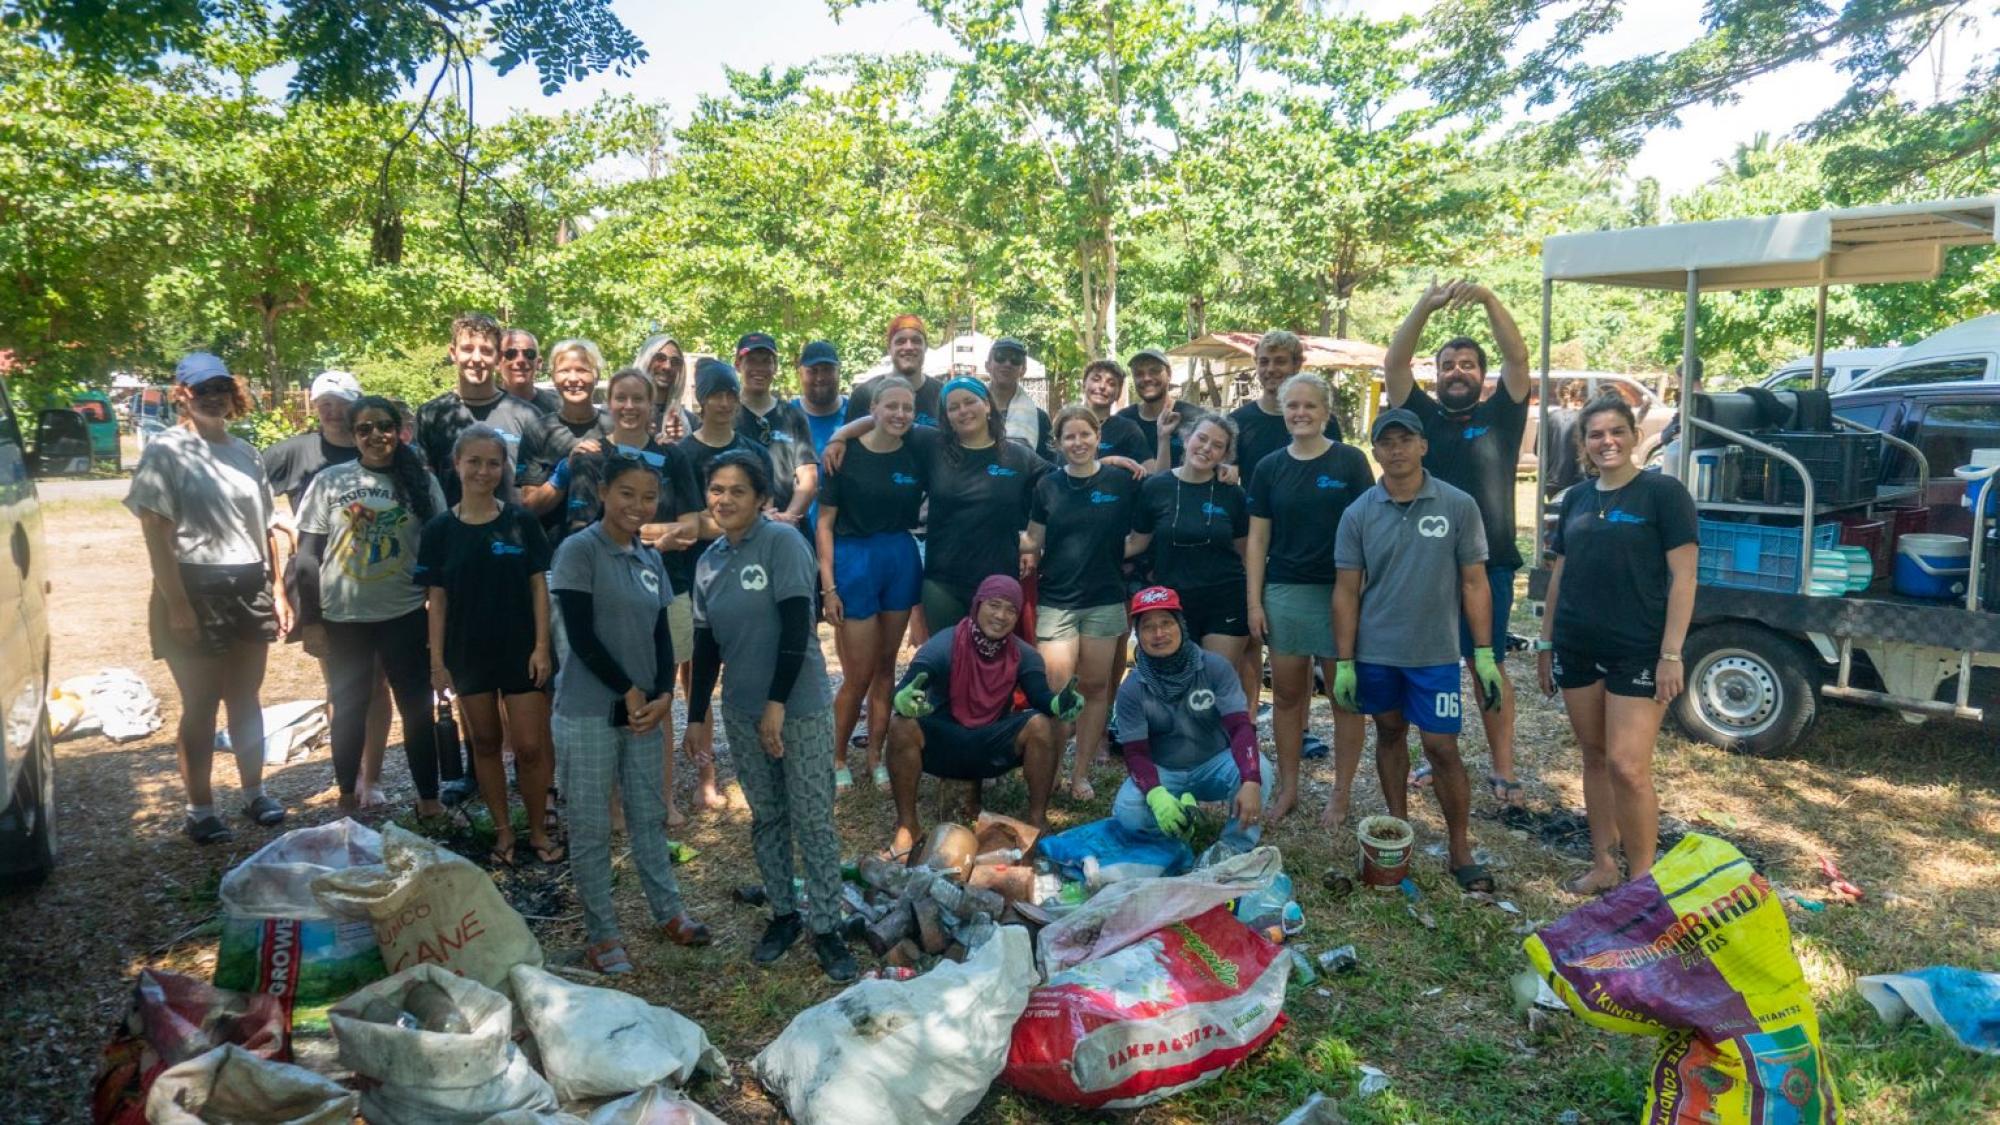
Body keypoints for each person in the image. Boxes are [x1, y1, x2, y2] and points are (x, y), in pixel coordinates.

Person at [687, 451, 855, 982]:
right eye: (717, 489)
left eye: (738, 490)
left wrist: (777, 705)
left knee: (812, 818)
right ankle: (783, 914)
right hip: (740, 708)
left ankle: (826, 926)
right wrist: (695, 715)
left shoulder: (782, 543)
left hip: (798, 706)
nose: (725, 500)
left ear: (762, 499)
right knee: (768, 816)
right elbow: (705, 642)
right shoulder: (709, 560)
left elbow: (793, 627)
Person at [547, 452, 711, 974]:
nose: (637, 506)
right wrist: (628, 689)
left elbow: (662, 634)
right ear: (602, 493)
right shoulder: (578, 551)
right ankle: (602, 932)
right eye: (626, 494)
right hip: (589, 709)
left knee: (647, 815)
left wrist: (663, 693)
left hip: (643, 710)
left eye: (647, 497)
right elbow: (581, 636)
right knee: (592, 824)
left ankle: (668, 910)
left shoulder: (650, 558)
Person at [1332, 408, 1502, 894]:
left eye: (1406, 440)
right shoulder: (1359, 512)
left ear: (1423, 445)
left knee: (1441, 747)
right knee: (1389, 733)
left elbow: (1475, 582)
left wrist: (1484, 654)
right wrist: (1344, 661)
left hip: (1435, 655)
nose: (1396, 450)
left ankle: (1460, 847)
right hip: (1376, 653)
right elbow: (1346, 590)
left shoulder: (1457, 505)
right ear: (1376, 451)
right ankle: (1397, 831)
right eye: (1386, 443)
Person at [126, 353, 291, 843]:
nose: (213, 397)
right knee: (200, 702)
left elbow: (264, 529)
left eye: (221, 387)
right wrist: (176, 603)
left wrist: (278, 589)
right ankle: (200, 808)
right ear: (184, 395)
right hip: (193, 586)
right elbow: (155, 531)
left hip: (248, 583)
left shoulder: (247, 453)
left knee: (246, 697)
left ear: (232, 392)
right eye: (202, 390)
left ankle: (254, 793)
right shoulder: (167, 452)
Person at [1538, 395, 1697, 894]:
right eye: (1595, 434)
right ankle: (1604, 862)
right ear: (1583, 444)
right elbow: (1560, 573)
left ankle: (1642, 878)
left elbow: (1684, 578)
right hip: (1578, 644)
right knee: (1593, 756)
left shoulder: (1662, 494)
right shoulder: (1578, 499)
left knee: (1627, 765)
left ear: (1632, 436)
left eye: (1616, 432)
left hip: (1639, 650)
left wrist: (1671, 652)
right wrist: (1546, 644)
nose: (1606, 442)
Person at [1384, 279, 1532, 808]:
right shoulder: (1421, 418)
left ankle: (1504, 768)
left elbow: (1519, 356)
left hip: (1489, 565)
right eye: (1448, 364)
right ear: (1437, 374)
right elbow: (1394, 365)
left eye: (1468, 364)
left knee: (1485, 663)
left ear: (1483, 375)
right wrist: (1423, 304)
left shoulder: (1503, 414)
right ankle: (1437, 751)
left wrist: (1492, 299)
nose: (1457, 372)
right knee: (1434, 664)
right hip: (1428, 566)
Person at [543, 369, 716, 821]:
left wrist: (636, 535)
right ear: (610, 402)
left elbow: (693, 526)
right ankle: (616, 804)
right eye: (621, 398)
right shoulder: (590, 455)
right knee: (611, 688)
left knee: (661, 689)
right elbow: (582, 526)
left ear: (651, 404)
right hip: (602, 585)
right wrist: (656, 534)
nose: (630, 406)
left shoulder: (672, 457)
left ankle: (663, 798)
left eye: (639, 398)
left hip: (668, 584)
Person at [295, 395, 448, 817]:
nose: (376, 435)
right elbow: (307, 556)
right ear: (354, 434)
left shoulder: (422, 482)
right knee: (349, 710)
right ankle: (347, 795)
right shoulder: (330, 481)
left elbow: (437, 554)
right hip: (345, 617)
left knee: (416, 711)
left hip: (403, 613)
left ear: (399, 429)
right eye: (365, 429)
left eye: (384, 426)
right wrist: (311, 622)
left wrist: (439, 616)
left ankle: (429, 800)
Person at [417, 425, 560, 866]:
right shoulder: (440, 530)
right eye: (474, 462)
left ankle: (538, 829)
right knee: (483, 742)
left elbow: (539, 587)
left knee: (531, 746)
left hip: (521, 648)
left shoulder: (520, 521)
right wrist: (437, 662)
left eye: (493, 463)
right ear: (456, 465)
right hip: (468, 653)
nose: (483, 471)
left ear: (504, 469)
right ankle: (503, 833)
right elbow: (435, 600)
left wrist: (541, 647)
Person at [1246, 373, 1375, 826]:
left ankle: (1340, 793)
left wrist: (1363, 594)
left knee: (1345, 695)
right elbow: (1258, 540)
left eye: (1310, 406)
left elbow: (1369, 530)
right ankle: (1289, 786)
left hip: (1340, 592)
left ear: (1326, 412)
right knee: (1285, 695)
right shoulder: (1269, 468)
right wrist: (1255, 602)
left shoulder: (1350, 462)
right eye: (1292, 406)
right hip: (1284, 591)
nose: (1300, 413)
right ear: (1284, 412)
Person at [264, 370, 393, 807]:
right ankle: (349, 775)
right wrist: (277, 522)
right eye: (322, 401)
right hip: (319, 580)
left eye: (338, 401)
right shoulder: (295, 450)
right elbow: (246, 487)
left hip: (379, 580)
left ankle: (372, 778)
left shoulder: (378, 445)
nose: (330, 408)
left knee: (377, 683)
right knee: (343, 686)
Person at [884, 575, 1080, 856]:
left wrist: (1060, 704)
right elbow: (906, 688)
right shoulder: (944, 645)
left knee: (1041, 725)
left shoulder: (1023, 654)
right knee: (901, 724)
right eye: (994, 605)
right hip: (946, 741)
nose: (1001, 616)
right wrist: (902, 700)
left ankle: (1037, 820)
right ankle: (907, 827)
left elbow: (1041, 699)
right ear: (977, 605)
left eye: (1011, 609)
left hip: (991, 744)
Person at [817, 378, 926, 790]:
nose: (899, 414)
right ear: (873, 409)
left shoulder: (917, 453)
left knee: (885, 669)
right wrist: (828, 587)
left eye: (907, 408)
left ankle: (875, 754)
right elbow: (824, 524)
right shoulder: (844, 455)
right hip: (854, 558)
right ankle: (837, 754)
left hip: (898, 557)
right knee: (858, 673)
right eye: (891, 406)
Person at [1027, 406, 1139, 802]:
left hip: (1105, 599)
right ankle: (1053, 768)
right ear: (1058, 443)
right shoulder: (1047, 486)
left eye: (1085, 435)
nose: (1078, 443)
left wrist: (1120, 551)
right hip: (1057, 600)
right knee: (1058, 690)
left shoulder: (1121, 481)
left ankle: (1080, 773)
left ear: (1097, 437)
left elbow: (1144, 527)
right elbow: (1034, 541)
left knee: (1095, 687)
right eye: (1069, 437)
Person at [675, 360, 775, 801]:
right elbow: (684, 523)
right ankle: (707, 776)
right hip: (696, 572)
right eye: (713, 394)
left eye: (729, 394)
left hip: (752, 569)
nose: (722, 402)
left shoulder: (753, 450)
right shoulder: (681, 453)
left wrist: (708, 522)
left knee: (754, 664)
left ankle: (767, 752)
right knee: (696, 674)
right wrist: (733, 520)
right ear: (700, 398)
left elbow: (766, 513)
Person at [1111, 586, 1272, 853]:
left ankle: (1234, 846)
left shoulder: (1214, 667)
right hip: (1165, 770)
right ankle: (1178, 827)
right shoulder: (1131, 689)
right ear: (1138, 635)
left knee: (1261, 771)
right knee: (1127, 812)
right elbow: (1136, 754)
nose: (1159, 633)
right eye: (1148, 627)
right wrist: (1156, 794)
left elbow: (1240, 727)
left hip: (1215, 764)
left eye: (1166, 623)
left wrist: (1251, 779)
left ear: (1181, 626)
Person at [1125, 413, 1250, 697]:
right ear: (1186, 438)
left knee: (1214, 683)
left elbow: (1245, 554)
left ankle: (1221, 741)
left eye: (1217, 445)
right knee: (1177, 686)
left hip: (1225, 600)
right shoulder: (1156, 488)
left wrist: (1254, 603)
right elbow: (1136, 543)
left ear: (1224, 455)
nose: (1207, 448)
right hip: (1174, 602)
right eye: (1202, 439)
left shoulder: (1232, 493)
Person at [416, 312, 545, 507]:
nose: (476, 359)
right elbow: (425, 486)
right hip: (451, 533)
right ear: (453, 353)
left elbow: (538, 491)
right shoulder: (431, 415)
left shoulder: (527, 415)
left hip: (513, 532)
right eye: (467, 349)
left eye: (485, 350)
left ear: (498, 357)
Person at [1230, 330, 1343, 485]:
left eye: (1280, 361)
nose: (1270, 369)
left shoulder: (1322, 422)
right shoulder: (1238, 422)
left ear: (1296, 365)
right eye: (1264, 362)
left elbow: (1338, 474)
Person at [516, 338, 611, 521]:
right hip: (552, 546)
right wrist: (564, 472)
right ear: (553, 377)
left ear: (596, 375)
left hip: (609, 545)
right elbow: (529, 506)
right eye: (564, 371)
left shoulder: (615, 427)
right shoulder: (538, 430)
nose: (573, 379)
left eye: (582, 370)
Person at [732, 332, 817, 529]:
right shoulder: (727, 414)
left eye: (766, 361)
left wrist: (788, 517)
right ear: (738, 365)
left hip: (788, 528)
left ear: (775, 367)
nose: (759, 368)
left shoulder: (793, 415)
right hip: (739, 528)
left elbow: (808, 476)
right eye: (751, 361)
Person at [1119, 347, 1211, 472]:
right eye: (1139, 374)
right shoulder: (1123, 420)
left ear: (1169, 374)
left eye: (1154, 371)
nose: (1146, 378)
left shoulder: (1196, 418)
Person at [846, 313, 943, 427]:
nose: (909, 347)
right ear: (889, 349)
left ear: (925, 347)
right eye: (900, 341)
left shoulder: (942, 395)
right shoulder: (864, 396)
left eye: (916, 341)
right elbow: (849, 442)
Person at [986, 336, 1051, 459]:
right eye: (1000, 357)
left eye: (1016, 359)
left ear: (1023, 370)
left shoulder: (1039, 418)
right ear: (987, 365)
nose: (1007, 363)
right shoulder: (970, 412)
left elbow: (1046, 465)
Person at [1079, 359, 1152, 464]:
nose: (1102, 386)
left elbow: (1150, 471)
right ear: (1084, 384)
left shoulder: (1128, 429)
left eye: (1111, 383)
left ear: (1118, 393)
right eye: (1096, 379)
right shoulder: (1067, 424)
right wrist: (1109, 461)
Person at [635, 333, 695, 440]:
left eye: (675, 361)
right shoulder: (620, 413)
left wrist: (676, 446)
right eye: (660, 358)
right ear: (646, 359)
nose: (667, 366)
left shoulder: (690, 422)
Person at [793, 339, 848, 455]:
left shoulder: (856, 412)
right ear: (800, 374)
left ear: (838, 372)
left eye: (827, 370)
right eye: (813, 371)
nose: (820, 378)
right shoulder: (786, 415)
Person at [1541, 378, 1589, 498]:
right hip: (1577, 478)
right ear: (1580, 395)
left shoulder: (1549, 417)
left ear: (1559, 394)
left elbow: (1538, 449)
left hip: (1552, 480)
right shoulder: (1584, 418)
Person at [501, 327, 561, 414]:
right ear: (497, 363)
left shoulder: (560, 406)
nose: (520, 360)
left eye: (529, 354)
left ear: (539, 363)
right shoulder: (484, 408)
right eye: (511, 354)